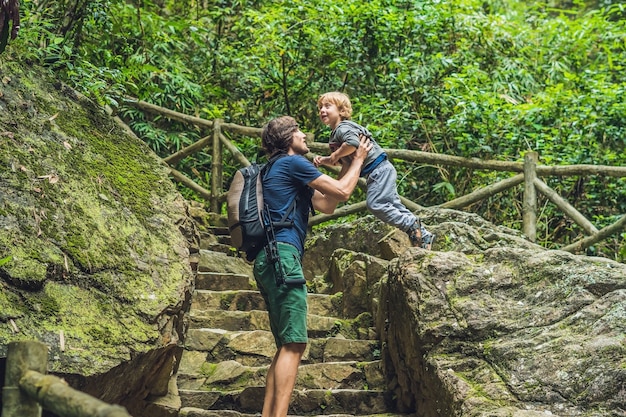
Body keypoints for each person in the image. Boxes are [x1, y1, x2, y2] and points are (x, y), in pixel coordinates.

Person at [254, 115, 372, 417]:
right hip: (283, 257)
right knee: (294, 344)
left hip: (269, 259)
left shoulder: (276, 168)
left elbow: (327, 203)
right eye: (298, 131)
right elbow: (344, 192)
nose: (305, 135)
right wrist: (358, 159)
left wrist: (347, 164)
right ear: (288, 139)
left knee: (285, 346)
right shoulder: (292, 163)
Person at [313, 91, 435, 249]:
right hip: (381, 169)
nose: (322, 110)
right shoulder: (339, 131)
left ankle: (410, 224)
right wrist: (326, 160)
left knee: (375, 204)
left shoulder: (342, 128)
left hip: (378, 170)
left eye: (327, 106)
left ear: (342, 111)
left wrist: (335, 154)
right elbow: (346, 158)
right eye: (320, 107)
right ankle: (424, 235)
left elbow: (352, 144)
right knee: (392, 204)